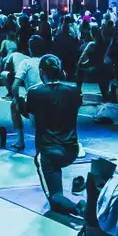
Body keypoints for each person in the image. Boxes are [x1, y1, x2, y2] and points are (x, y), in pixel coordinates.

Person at [26, 54, 83, 216]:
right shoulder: (74, 91)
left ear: (41, 72)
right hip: (72, 150)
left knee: (55, 197)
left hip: (48, 153)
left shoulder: (34, 93)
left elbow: (33, 124)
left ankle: (79, 208)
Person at [7, 35, 47, 152]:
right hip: (51, 96)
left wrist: (16, 98)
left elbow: (15, 86)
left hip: (34, 99)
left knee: (14, 106)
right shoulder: (48, 60)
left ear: (30, 49)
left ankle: (20, 141)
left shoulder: (25, 63)